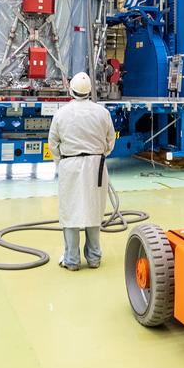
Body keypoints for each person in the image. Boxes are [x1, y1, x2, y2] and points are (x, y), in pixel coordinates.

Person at [47, 72, 113, 270]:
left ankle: (72, 260)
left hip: (71, 166)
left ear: (71, 90)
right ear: (90, 90)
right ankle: (94, 258)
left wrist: (63, 161)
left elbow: (53, 143)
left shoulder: (61, 113)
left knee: (70, 211)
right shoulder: (102, 112)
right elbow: (110, 141)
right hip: (96, 166)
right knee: (94, 210)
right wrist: (99, 155)